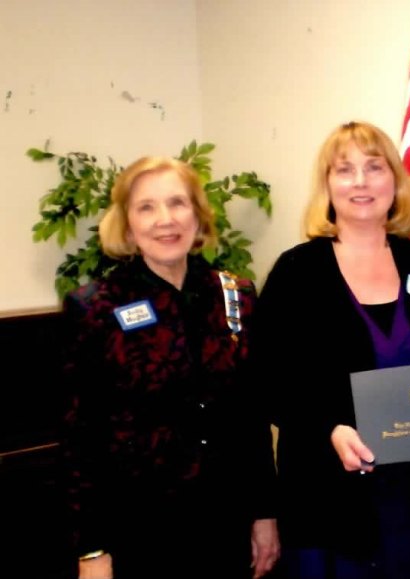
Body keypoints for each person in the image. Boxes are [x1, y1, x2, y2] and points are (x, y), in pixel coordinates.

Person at [252, 121, 410, 579]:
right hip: (329, 498)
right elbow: (266, 381)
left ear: (395, 180)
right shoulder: (297, 272)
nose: (361, 181)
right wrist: (328, 428)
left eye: (374, 167)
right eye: (344, 170)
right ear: (327, 185)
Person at [60, 157, 280, 579]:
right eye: (146, 207)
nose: (165, 220)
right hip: (140, 533)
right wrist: (92, 551)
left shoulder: (235, 294)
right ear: (126, 224)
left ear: (198, 215)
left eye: (178, 203)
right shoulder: (95, 306)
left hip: (225, 526)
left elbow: (250, 419)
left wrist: (264, 514)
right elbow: (80, 439)